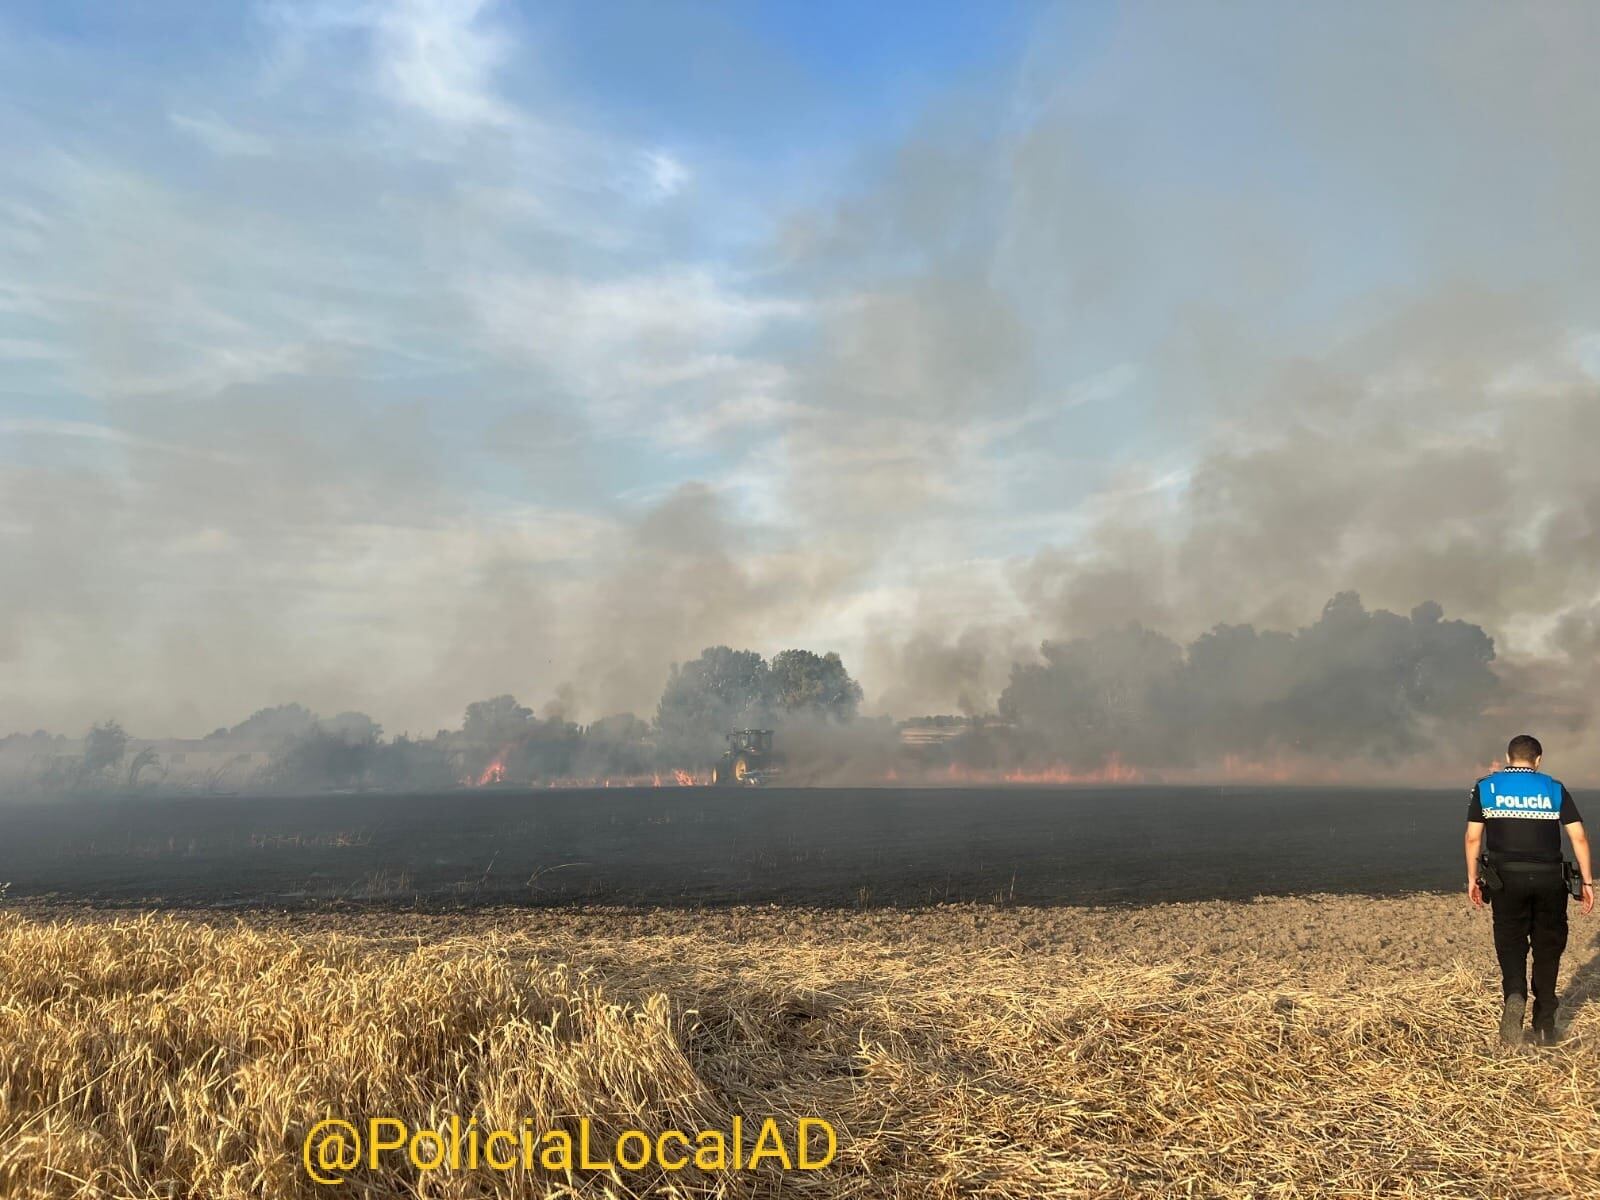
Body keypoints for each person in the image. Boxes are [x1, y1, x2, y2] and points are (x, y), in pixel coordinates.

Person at [1465, 734, 1593, 1045]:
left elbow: (1472, 838)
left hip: (1505, 880)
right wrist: (1587, 882)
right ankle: (1545, 1024)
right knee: (1548, 948)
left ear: (1508, 758)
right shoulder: (1553, 787)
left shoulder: (1486, 787)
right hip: (1550, 880)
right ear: (1538, 760)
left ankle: (1515, 994)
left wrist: (1472, 878)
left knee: (1510, 942)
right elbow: (1578, 838)